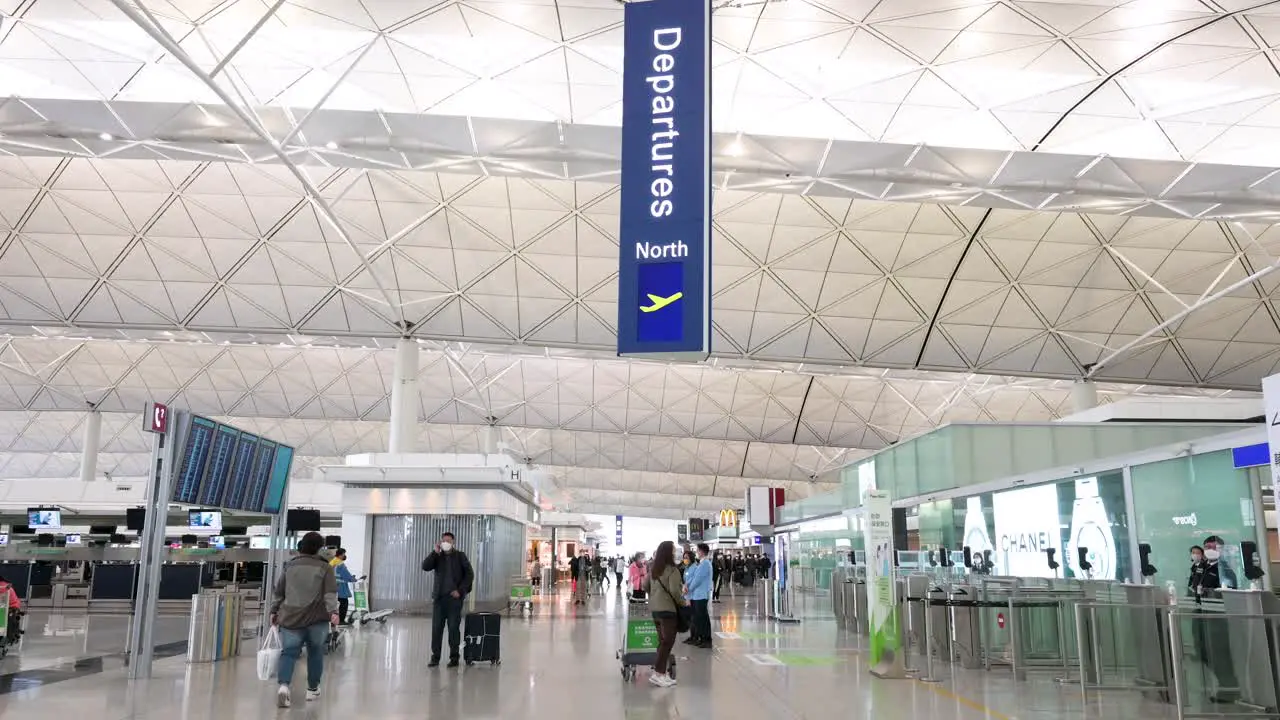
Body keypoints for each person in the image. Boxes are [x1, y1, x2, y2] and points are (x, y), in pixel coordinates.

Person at [271, 531, 339, 708]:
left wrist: (274, 610)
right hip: (317, 618)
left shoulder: (289, 566)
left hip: (291, 617)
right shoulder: (325, 567)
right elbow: (330, 594)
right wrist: (334, 612)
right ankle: (312, 689)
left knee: (289, 652)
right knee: (315, 652)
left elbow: (280, 592)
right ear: (319, 548)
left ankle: (284, 687)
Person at [1191, 536, 1239, 703]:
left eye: (1212, 546)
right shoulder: (1201, 567)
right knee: (1202, 652)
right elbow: (1194, 585)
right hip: (1200, 613)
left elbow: (1229, 591)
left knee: (1219, 653)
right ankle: (1224, 684)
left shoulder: (1224, 569)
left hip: (1217, 617)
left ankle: (1229, 688)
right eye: (1206, 546)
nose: (1208, 549)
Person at [421, 531, 475, 668]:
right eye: (443, 541)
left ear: (453, 543)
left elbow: (469, 574)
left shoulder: (460, 556)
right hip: (439, 599)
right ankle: (435, 657)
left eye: (448, 541)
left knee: (453, 628)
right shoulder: (437, 556)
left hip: (454, 600)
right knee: (436, 629)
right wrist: (435, 552)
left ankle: (454, 657)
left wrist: (461, 590)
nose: (446, 543)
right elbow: (425, 566)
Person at [648, 541, 688, 687]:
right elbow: (675, 591)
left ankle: (661, 673)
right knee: (668, 642)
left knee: (662, 641)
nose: (675, 553)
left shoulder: (653, 568)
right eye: (673, 550)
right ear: (668, 553)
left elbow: (645, 585)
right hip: (668, 611)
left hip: (655, 610)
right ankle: (658, 674)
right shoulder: (672, 570)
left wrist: (655, 596)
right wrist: (683, 603)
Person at [684, 543, 713, 649]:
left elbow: (698, 579)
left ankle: (706, 639)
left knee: (702, 618)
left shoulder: (705, 563)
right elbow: (694, 578)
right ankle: (701, 638)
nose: (696, 552)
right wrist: (687, 586)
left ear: (701, 551)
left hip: (701, 595)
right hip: (697, 595)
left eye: (697, 550)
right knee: (699, 618)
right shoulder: (702, 563)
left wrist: (688, 589)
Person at [330, 548, 357, 625]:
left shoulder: (332, 562)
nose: (344, 556)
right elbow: (346, 575)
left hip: (332, 586)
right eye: (344, 554)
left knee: (334, 605)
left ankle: (333, 621)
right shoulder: (340, 564)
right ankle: (341, 620)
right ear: (341, 555)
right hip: (340, 587)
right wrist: (353, 579)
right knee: (344, 603)